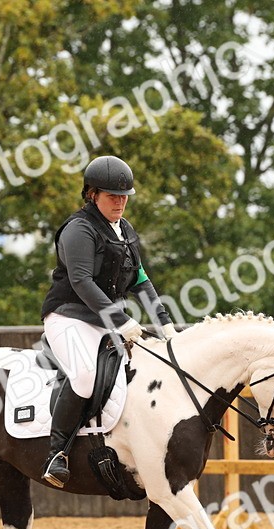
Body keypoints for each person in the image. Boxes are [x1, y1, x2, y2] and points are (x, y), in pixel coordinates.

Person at [39, 155, 176, 488]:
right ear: (92, 194)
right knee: (85, 376)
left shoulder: (125, 230)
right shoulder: (78, 230)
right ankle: (57, 453)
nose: (120, 202)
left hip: (106, 320)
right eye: (112, 196)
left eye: (124, 195)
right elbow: (83, 282)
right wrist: (120, 319)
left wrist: (165, 322)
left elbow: (140, 279)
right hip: (69, 317)